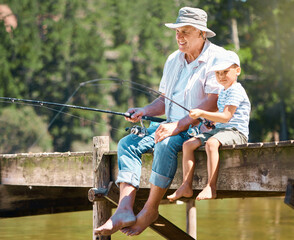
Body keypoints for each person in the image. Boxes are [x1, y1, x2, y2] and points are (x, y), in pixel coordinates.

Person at [94, 6, 226, 237]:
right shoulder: (173, 60)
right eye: (177, 31)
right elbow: (165, 101)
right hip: (172, 125)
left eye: (185, 31)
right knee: (128, 143)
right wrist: (144, 111)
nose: (179, 36)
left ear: (202, 34)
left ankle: (150, 209)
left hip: (201, 129)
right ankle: (124, 208)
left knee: (165, 143)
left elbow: (214, 102)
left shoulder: (219, 59)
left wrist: (178, 125)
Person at [167, 50, 251, 202]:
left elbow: (226, 117)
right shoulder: (223, 91)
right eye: (218, 73)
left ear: (237, 71)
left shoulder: (236, 90)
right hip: (221, 130)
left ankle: (211, 187)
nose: (221, 76)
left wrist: (202, 113)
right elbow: (220, 116)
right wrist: (211, 122)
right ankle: (186, 186)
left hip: (236, 132)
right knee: (188, 145)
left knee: (212, 144)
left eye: (225, 72)